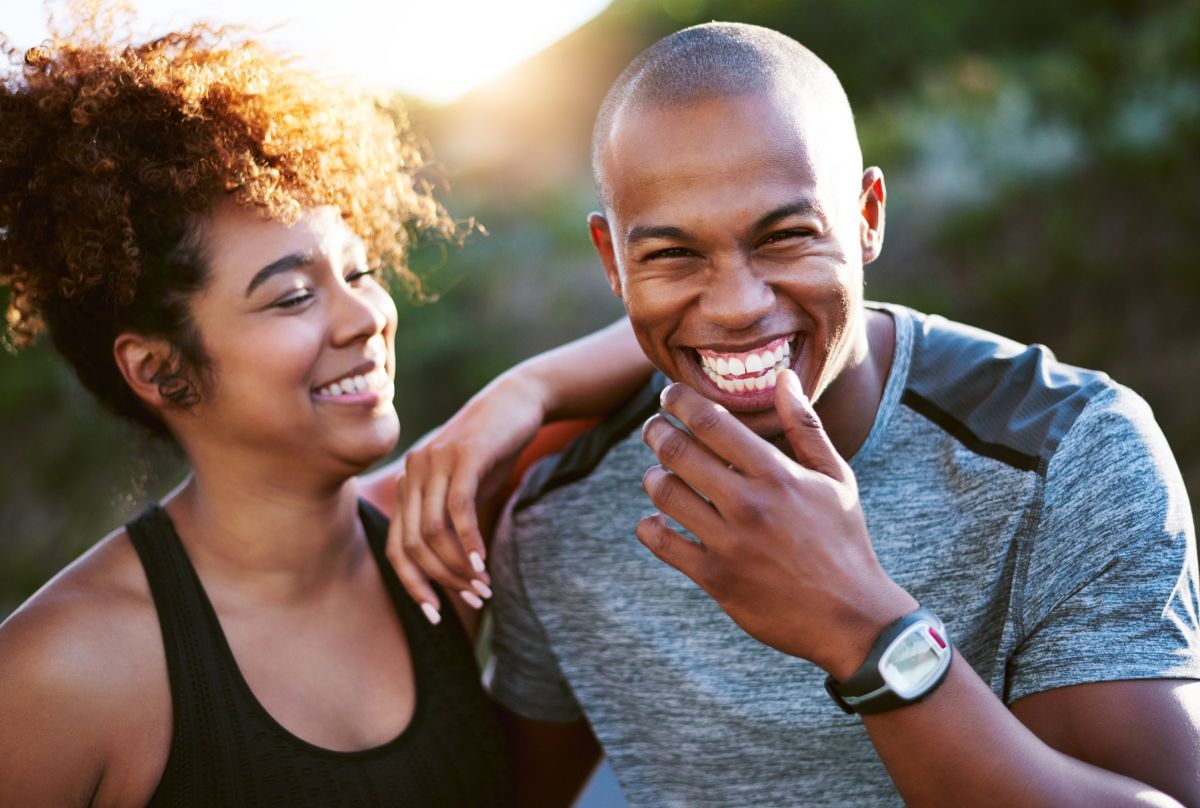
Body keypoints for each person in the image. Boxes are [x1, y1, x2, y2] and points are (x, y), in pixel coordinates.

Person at [392, 22, 1200, 807]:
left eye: (784, 238)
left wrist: (867, 635)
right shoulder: (559, 517)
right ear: (612, 261)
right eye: (673, 254)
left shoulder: (1065, 454)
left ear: (867, 216)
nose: (738, 307)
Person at [0, 6, 649, 805]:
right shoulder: (60, 670)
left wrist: (526, 390)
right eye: (293, 297)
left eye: (360, 270)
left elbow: (680, 333)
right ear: (159, 368)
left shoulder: (436, 538)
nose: (364, 316)